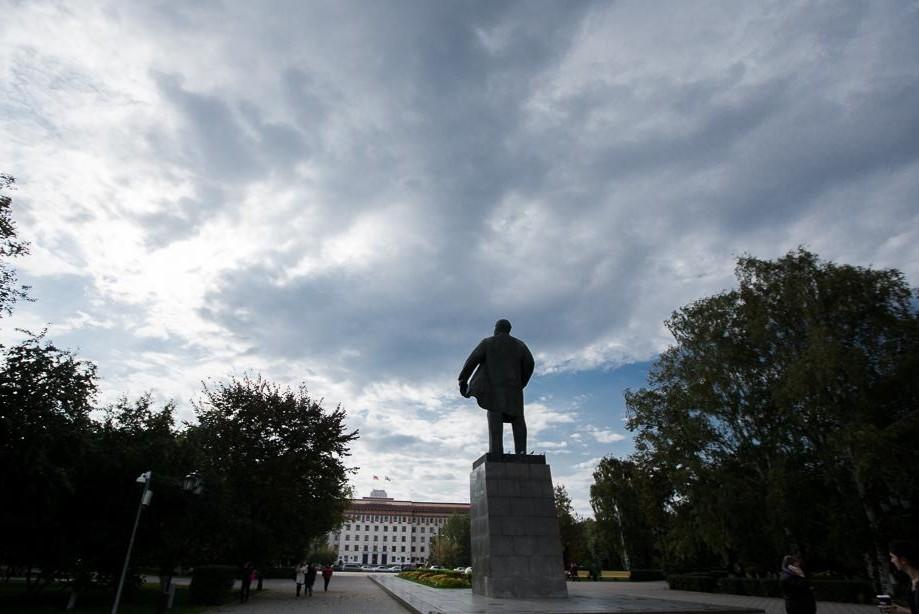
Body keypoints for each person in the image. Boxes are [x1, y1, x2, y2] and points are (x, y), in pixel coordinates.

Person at [458, 319, 535, 456]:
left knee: (495, 417)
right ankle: (522, 452)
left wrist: (463, 380)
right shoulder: (520, 345)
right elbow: (530, 364)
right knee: (518, 419)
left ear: (497, 328)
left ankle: (496, 451)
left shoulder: (488, 343)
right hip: (514, 389)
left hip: (494, 389)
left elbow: (472, 361)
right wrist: (521, 382)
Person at [882, 541, 919, 614]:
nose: (891, 561)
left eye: (892, 557)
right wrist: (902, 611)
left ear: (903, 560)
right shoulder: (912, 581)